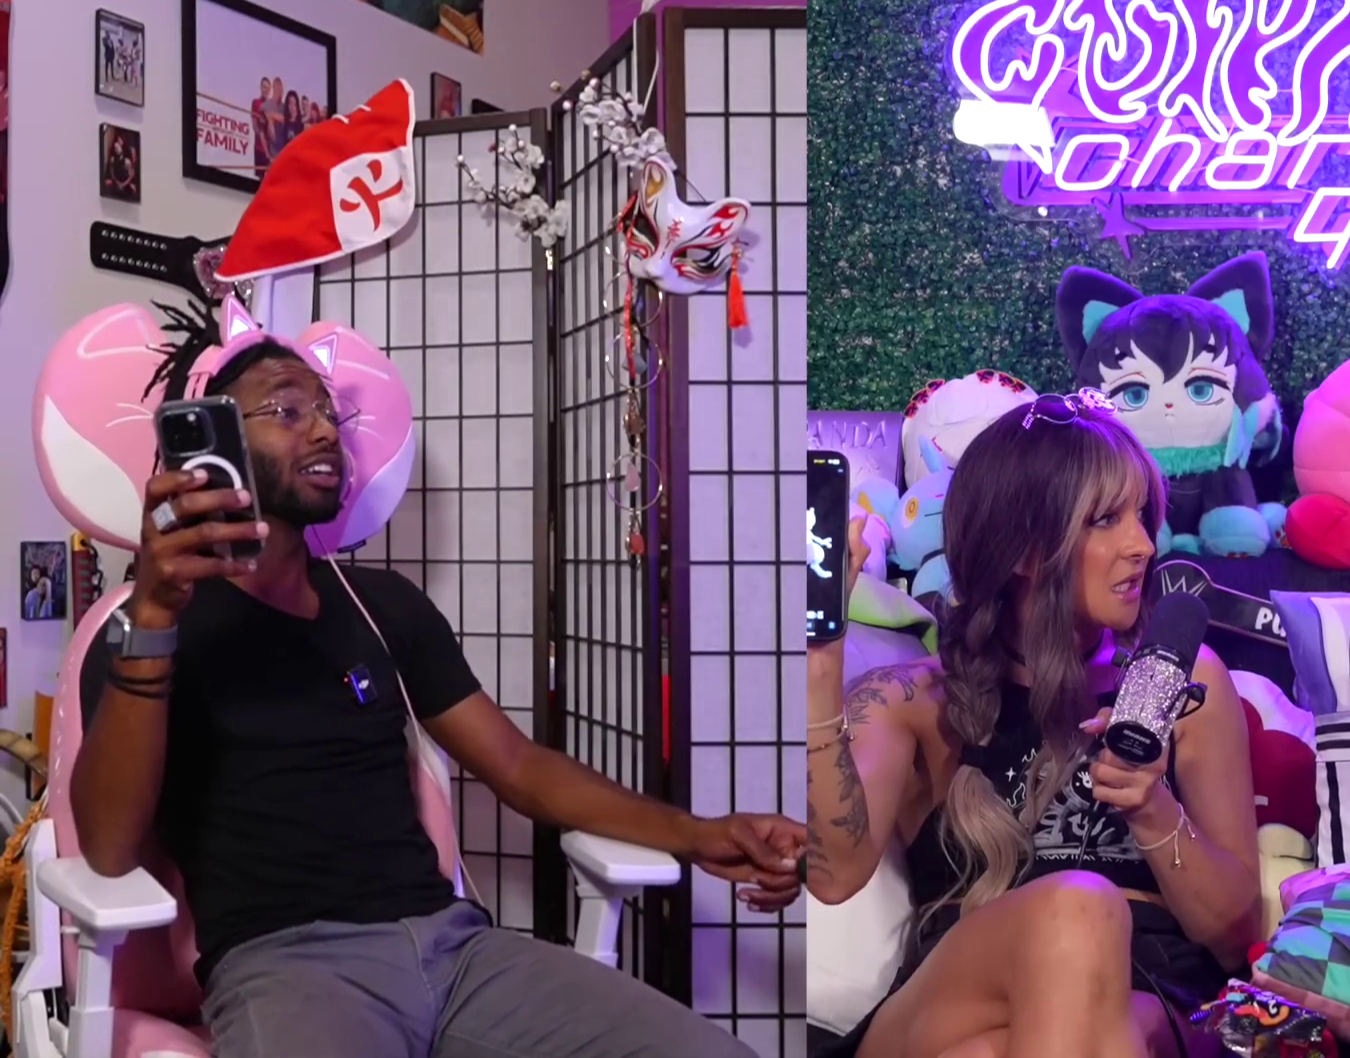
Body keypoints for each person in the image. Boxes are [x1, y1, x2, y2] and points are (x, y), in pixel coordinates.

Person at [73, 338, 802, 1058]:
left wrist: (698, 834)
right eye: (288, 410)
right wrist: (156, 615)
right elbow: (107, 848)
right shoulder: (149, 625)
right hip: (292, 967)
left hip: (457, 953)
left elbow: (519, 766)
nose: (325, 430)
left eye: (328, 411)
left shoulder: (382, 606)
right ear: (218, 442)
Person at [808, 390, 1263, 1058]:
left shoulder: (1184, 685)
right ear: (1022, 548)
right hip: (951, 1001)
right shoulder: (913, 700)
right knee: (1079, 908)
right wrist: (820, 664)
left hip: (1144, 1001)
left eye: (1143, 514)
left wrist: (1151, 807)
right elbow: (833, 874)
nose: (1143, 544)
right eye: (1105, 520)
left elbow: (1236, 936)